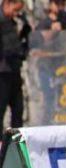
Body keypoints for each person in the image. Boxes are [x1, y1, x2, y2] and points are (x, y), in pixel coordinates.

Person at [0, 0, 29, 133]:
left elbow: (16, 44)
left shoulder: (12, 22)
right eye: (15, 10)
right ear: (7, 4)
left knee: (18, 109)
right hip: (2, 72)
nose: (16, 14)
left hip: (14, 70)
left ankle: (16, 143)